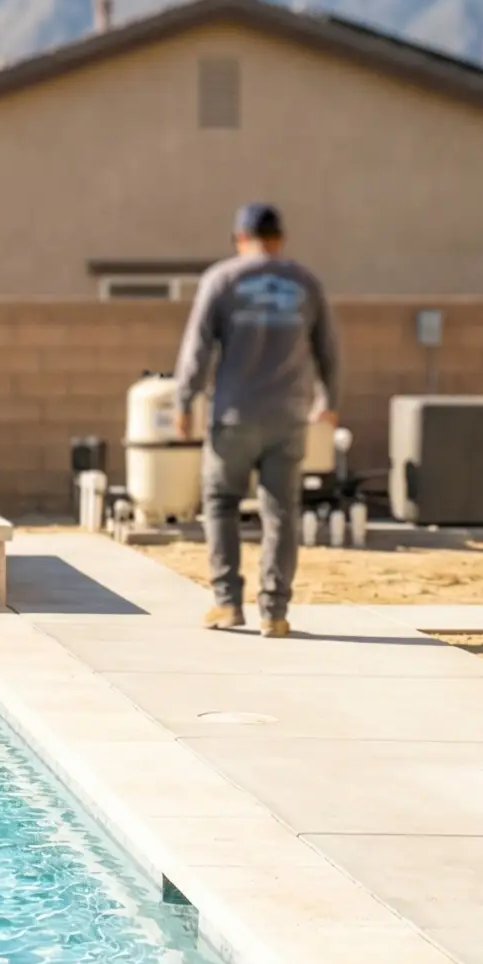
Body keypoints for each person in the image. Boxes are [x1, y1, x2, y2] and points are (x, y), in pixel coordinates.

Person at [171, 202, 339, 638]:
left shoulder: (222, 280)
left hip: (234, 415)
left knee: (222, 503)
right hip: (288, 416)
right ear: (280, 239)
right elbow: (328, 349)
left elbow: (197, 348)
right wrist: (329, 399)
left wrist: (184, 401)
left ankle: (227, 604)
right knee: (281, 512)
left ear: (239, 238)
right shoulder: (306, 284)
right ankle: (275, 612)